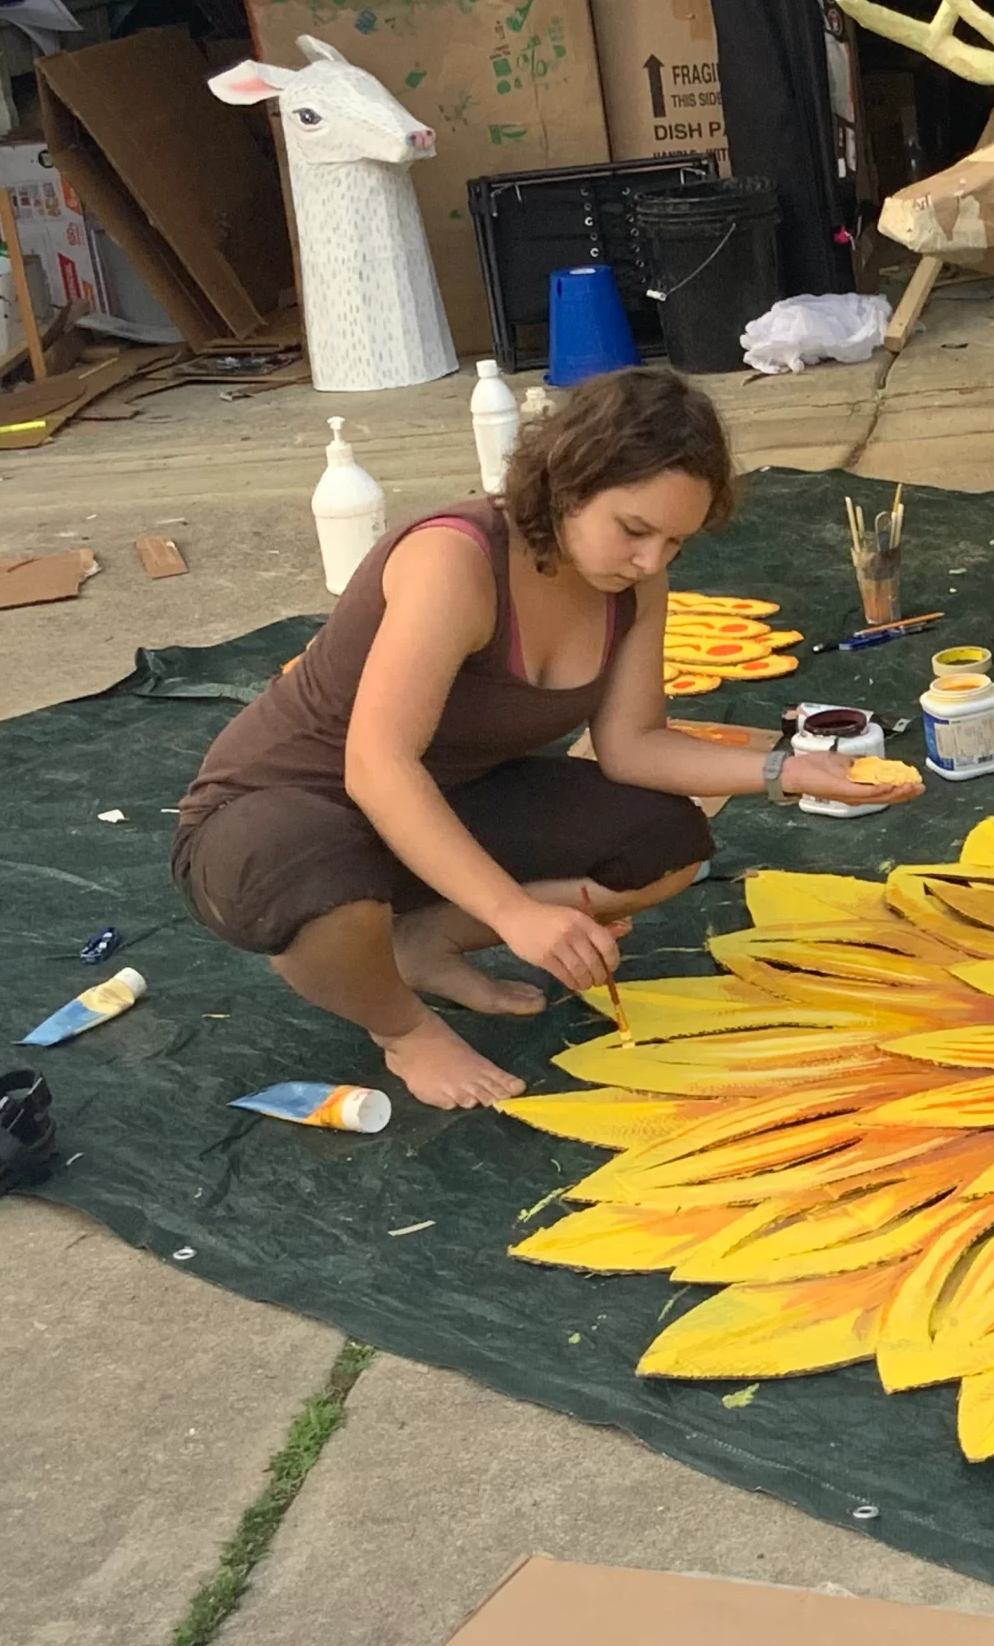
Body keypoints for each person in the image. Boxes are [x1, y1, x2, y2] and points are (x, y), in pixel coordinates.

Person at [172, 367, 920, 1110]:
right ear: (566, 483)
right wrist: (513, 913)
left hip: (452, 799)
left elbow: (633, 744)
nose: (652, 560)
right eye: (634, 530)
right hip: (278, 811)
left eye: (676, 542)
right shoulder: (455, 560)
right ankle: (402, 1028)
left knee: (664, 843)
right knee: (311, 872)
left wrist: (787, 770)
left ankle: (420, 944)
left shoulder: (637, 582)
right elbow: (378, 767)